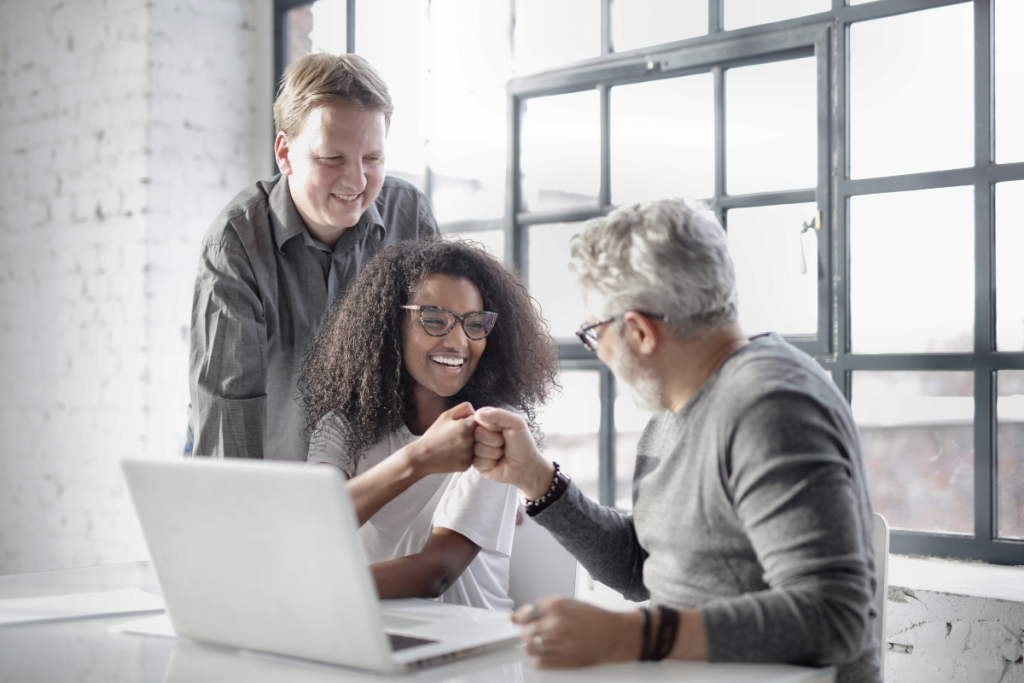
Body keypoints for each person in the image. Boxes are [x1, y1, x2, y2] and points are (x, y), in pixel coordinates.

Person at [471, 199, 880, 682]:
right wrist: (536, 478)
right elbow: (640, 568)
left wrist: (631, 636)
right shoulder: (676, 406)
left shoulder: (769, 407)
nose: (597, 351)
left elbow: (835, 618)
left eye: (593, 333)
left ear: (640, 331)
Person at [188, 53, 437, 461]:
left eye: (372, 158)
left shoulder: (409, 217)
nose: (356, 180)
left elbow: (446, 353)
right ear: (284, 154)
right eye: (331, 158)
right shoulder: (235, 244)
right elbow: (227, 410)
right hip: (273, 471)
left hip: (377, 479)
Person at [301, 237, 559, 610]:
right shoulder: (341, 426)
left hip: (470, 644)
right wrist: (419, 457)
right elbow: (315, 525)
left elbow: (435, 573)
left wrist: (310, 586)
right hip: (369, 629)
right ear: (390, 325)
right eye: (434, 320)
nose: (459, 342)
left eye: (475, 324)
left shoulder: (494, 431)